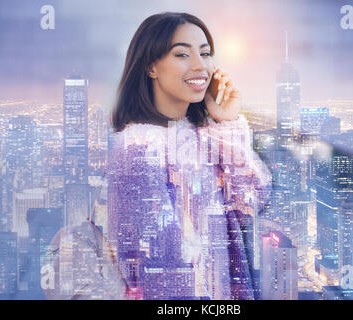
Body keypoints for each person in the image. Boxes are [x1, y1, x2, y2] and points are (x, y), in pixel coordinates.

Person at [108, 12, 272, 300]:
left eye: (206, 53)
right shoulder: (139, 148)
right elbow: (152, 264)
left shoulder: (205, 136)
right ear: (151, 67)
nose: (201, 65)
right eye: (182, 54)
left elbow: (251, 202)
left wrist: (225, 121)